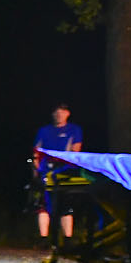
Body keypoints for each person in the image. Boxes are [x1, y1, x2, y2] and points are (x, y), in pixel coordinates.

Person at [33, 104, 85, 242]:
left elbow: (76, 150)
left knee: (66, 205)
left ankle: (67, 239)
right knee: (43, 204)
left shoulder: (74, 129)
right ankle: (43, 239)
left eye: (62, 112)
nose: (59, 115)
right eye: (56, 112)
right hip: (46, 171)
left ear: (68, 114)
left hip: (66, 172)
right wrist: (36, 171)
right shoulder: (44, 131)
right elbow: (36, 153)